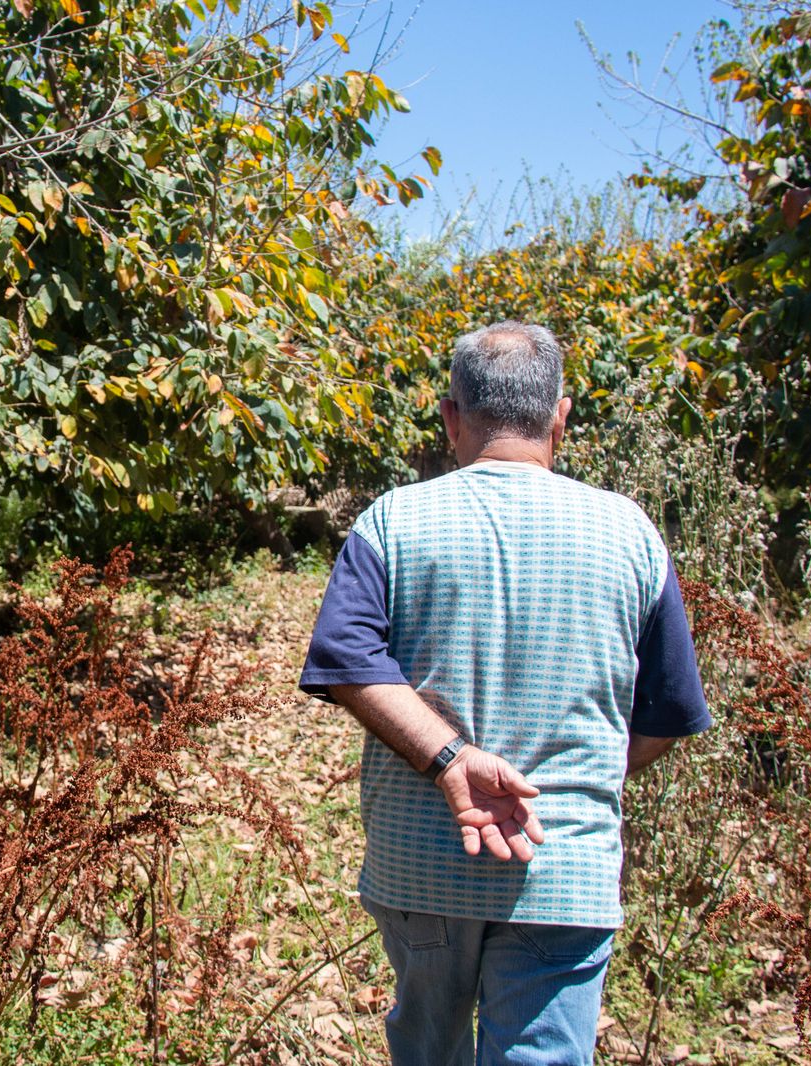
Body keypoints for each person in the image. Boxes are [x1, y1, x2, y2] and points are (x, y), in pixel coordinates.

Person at [299, 321, 710, 1066]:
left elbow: (347, 659)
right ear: (561, 416)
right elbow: (666, 715)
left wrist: (451, 760)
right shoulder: (632, 534)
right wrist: (573, 787)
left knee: (429, 1053)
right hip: (565, 869)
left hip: (420, 865)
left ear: (452, 417)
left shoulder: (391, 521)